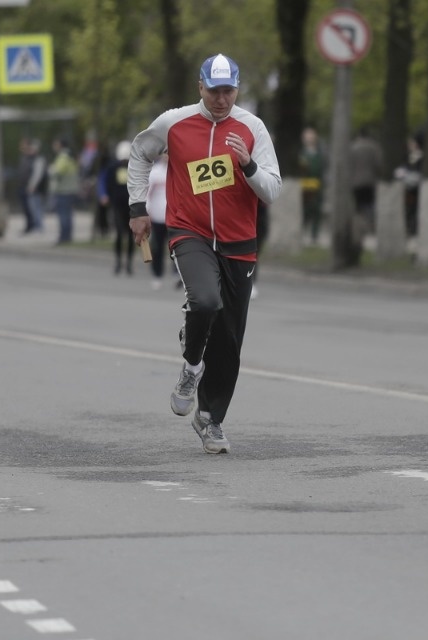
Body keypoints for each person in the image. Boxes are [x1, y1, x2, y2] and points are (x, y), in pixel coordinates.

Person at [127, 53, 282, 454]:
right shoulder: (174, 123)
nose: (221, 99)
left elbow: (273, 190)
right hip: (189, 230)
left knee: (230, 340)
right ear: (200, 87)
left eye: (228, 90)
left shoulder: (252, 128)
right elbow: (140, 153)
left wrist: (247, 166)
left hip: (239, 242)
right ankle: (191, 365)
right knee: (204, 300)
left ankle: (210, 419)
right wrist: (138, 208)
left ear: (237, 88)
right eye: (213, 91)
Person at [98, 140, 134, 275]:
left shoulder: (134, 167)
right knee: (119, 234)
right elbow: (104, 182)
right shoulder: (112, 167)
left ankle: (129, 264)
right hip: (117, 206)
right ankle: (118, 262)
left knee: (130, 235)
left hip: (131, 206)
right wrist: (104, 195)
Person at [145, 151, 176, 290]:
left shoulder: (178, 171)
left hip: (174, 218)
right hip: (157, 217)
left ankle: (177, 274)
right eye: (165, 154)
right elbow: (147, 194)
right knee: (157, 248)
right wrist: (147, 212)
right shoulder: (155, 172)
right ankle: (157, 275)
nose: (167, 156)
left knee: (176, 248)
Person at [348, 127, 382, 231]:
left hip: (355, 182)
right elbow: (379, 164)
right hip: (370, 181)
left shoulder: (353, 147)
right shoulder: (374, 147)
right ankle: (370, 225)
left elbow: (349, 164)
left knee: (358, 205)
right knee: (370, 204)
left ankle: (359, 227)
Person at [48, 138, 79, 245]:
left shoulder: (63, 157)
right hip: (70, 190)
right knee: (68, 215)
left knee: (63, 215)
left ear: (60, 145)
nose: (54, 146)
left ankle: (64, 237)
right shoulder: (70, 156)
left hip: (64, 190)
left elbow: (58, 171)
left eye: (56, 144)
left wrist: (51, 169)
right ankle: (67, 236)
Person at [298, 127, 325, 243]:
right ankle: (301, 234)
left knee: (316, 211)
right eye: (307, 136)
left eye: (311, 135)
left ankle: (314, 235)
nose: (309, 138)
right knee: (304, 211)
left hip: (316, 185)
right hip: (304, 186)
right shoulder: (301, 153)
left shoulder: (319, 153)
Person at [16, 138, 47, 234]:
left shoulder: (37, 159)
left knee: (35, 208)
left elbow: (37, 175)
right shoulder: (25, 158)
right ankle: (30, 226)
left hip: (33, 188)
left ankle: (38, 226)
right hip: (24, 187)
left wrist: (32, 185)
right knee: (28, 208)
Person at [394, 135, 423, 237]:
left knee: (414, 208)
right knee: (409, 208)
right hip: (408, 186)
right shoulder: (407, 156)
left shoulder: (420, 156)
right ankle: (410, 227)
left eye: (412, 143)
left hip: (416, 187)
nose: (410, 145)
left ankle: (413, 228)